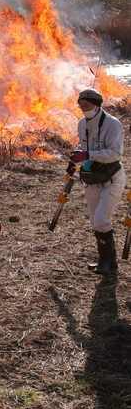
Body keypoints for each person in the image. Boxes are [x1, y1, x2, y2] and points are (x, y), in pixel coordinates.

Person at [71, 88, 125, 275]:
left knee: (102, 220)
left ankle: (108, 261)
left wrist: (88, 154)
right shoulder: (81, 124)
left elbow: (115, 154)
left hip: (112, 178)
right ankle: (107, 261)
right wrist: (75, 161)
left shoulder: (113, 124)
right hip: (92, 179)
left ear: (97, 104)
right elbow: (83, 146)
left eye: (87, 105)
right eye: (81, 106)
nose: (84, 109)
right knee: (95, 222)